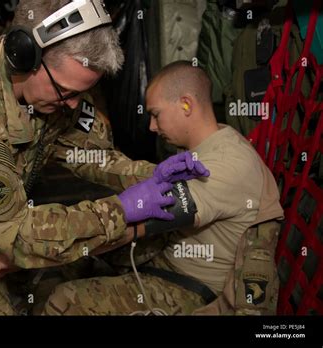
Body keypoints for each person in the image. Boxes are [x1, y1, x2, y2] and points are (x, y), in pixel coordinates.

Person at [0, 1, 208, 315]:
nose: (75, 105)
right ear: (24, 57)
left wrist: (148, 175)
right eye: (67, 92)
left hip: (11, 229)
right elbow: (21, 235)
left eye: (82, 93)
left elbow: (89, 155)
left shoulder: (57, 88)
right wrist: (120, 210)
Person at [40, 60, 284, 315]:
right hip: (163, 261)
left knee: (64, 299)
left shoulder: (226, 164)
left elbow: (131, 229)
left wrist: (43, 247)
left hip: (186, 288)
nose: (152, 127)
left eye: (156, 114)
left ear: (186, 104)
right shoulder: (215, 140)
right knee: (76, 263)